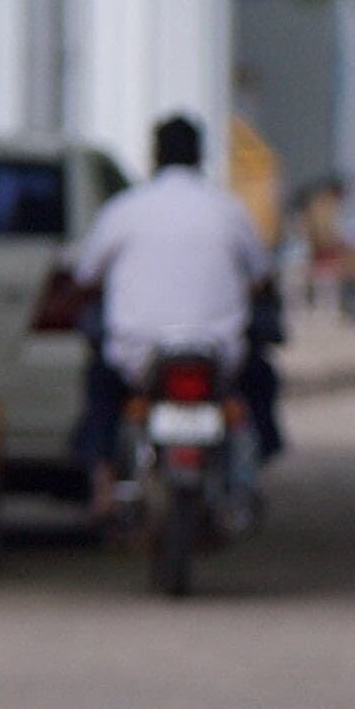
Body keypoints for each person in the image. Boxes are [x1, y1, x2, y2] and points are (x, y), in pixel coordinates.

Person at [70, 114, 273, 520]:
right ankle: (248, 474)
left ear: (154, 156)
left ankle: (104, 483)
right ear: (200, 157)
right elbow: (262, 276)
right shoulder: (228, 210)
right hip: (218, 355)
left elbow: (85, 275)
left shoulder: (124, 209)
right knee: (261, 381)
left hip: (138, 356)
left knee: (100, 388)